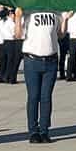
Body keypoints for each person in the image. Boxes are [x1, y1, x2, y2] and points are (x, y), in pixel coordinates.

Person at [22, 9, 61, 143]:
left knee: (46, 98)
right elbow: (17, 34)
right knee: (33, 97)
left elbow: (60, 35)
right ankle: (33, 131)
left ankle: (44, 131)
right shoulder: (28, 13)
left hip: (50, 60)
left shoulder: (55, 13)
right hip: (32, 60)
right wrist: (16, 17)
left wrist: (65, 19)